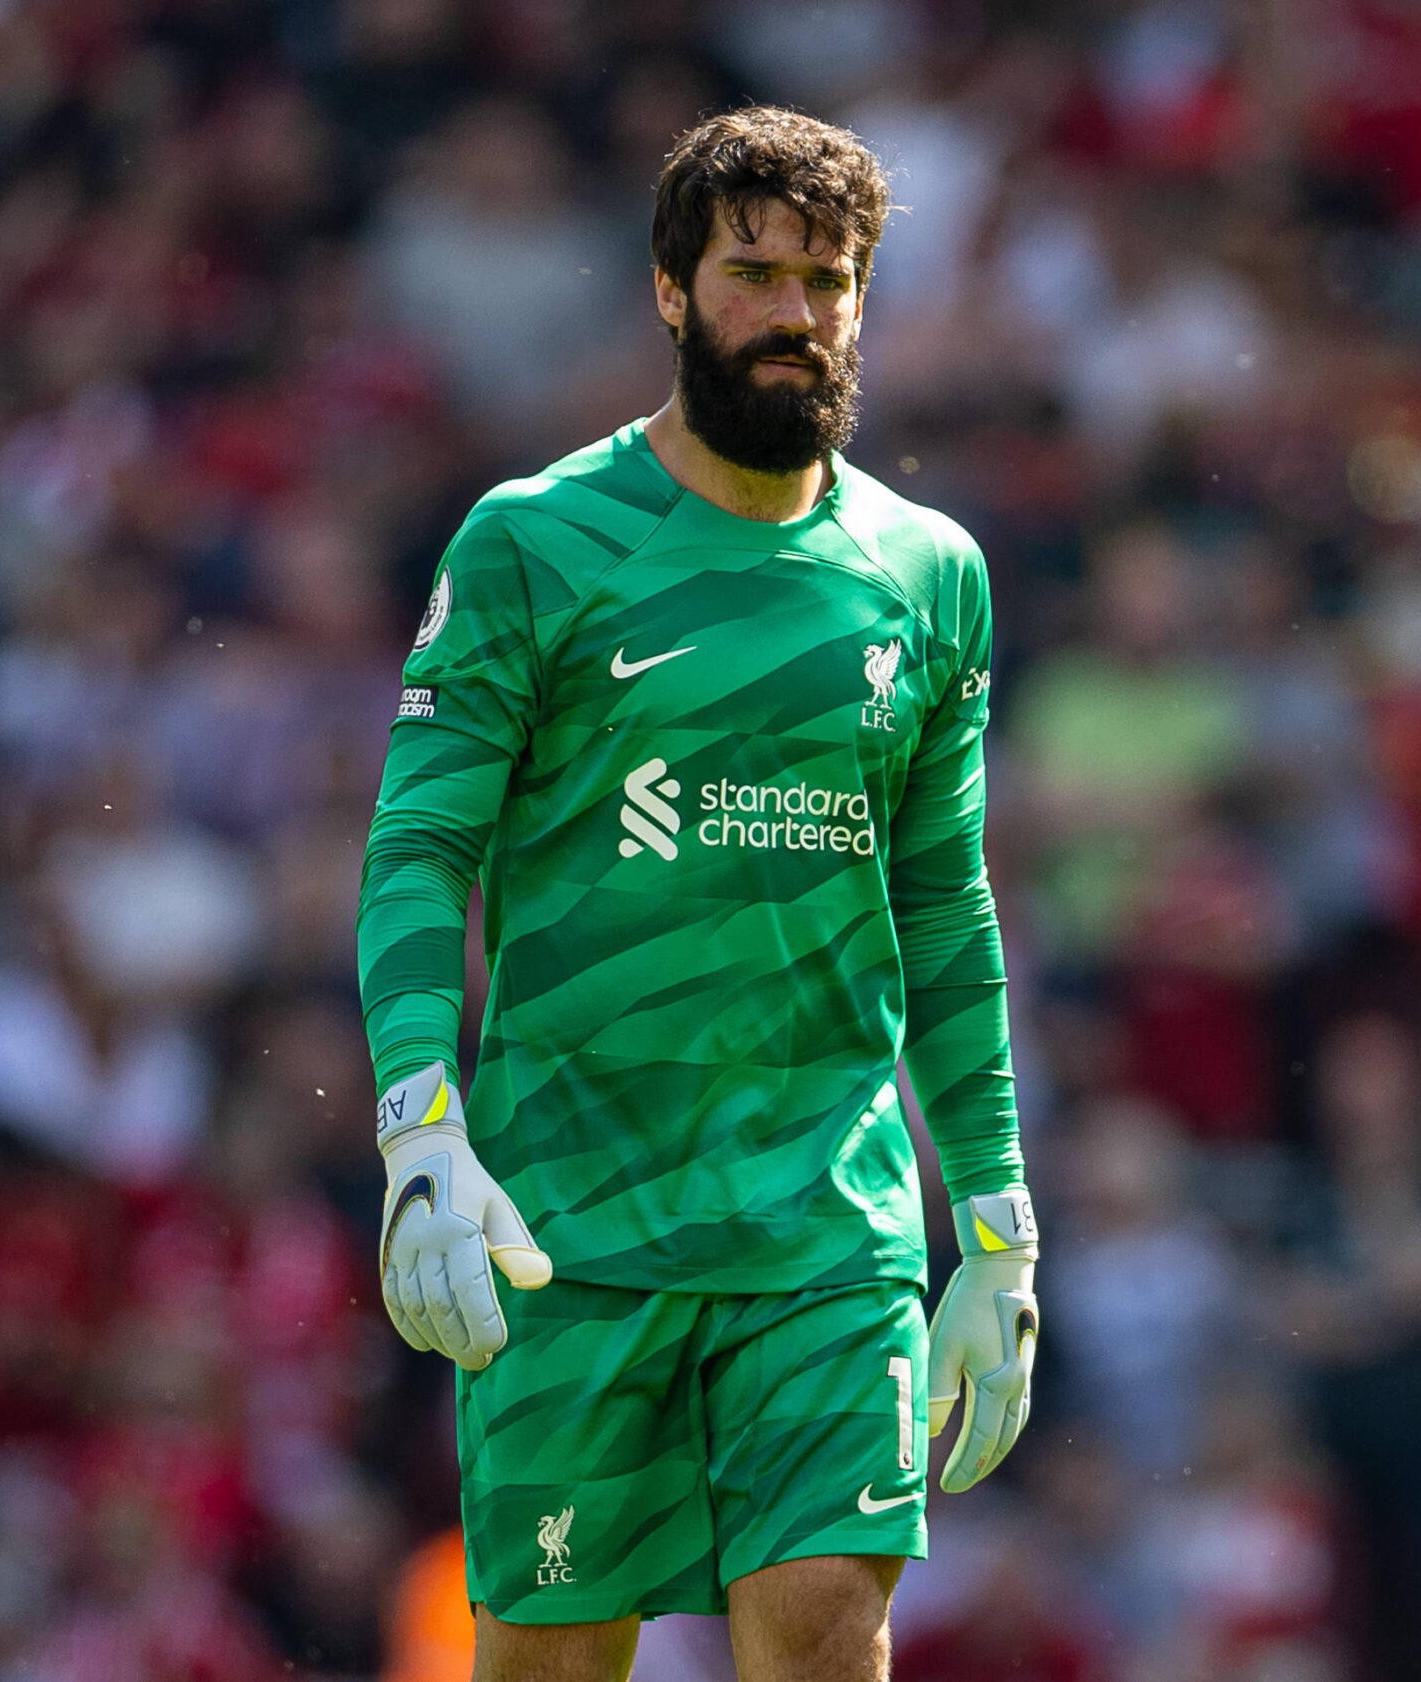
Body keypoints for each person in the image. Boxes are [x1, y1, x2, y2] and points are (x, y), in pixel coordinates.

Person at [353, 109, 1039, 1682]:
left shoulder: (932, 572)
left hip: (822, 1225)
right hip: (569, 1227)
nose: (794, 313)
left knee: (819, 1625)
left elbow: (944, 908)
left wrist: (996, 1223)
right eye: (754, 273)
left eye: (830, 279)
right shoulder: (534, 543)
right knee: (554, 1661)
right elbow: (417, 849)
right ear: (673, 290)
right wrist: (418, 1122)